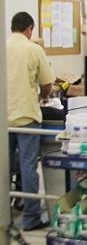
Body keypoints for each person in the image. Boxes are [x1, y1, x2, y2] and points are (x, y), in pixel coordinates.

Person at [7, 12, 56, 231]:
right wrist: (44, 96)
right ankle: (31, 217)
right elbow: (47, 83)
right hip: (26, 115)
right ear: (29, 29)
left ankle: (4, 214)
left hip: (3, 119)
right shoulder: (33, 49)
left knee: (3, 168)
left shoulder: (3, 47)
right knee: (28, 167)